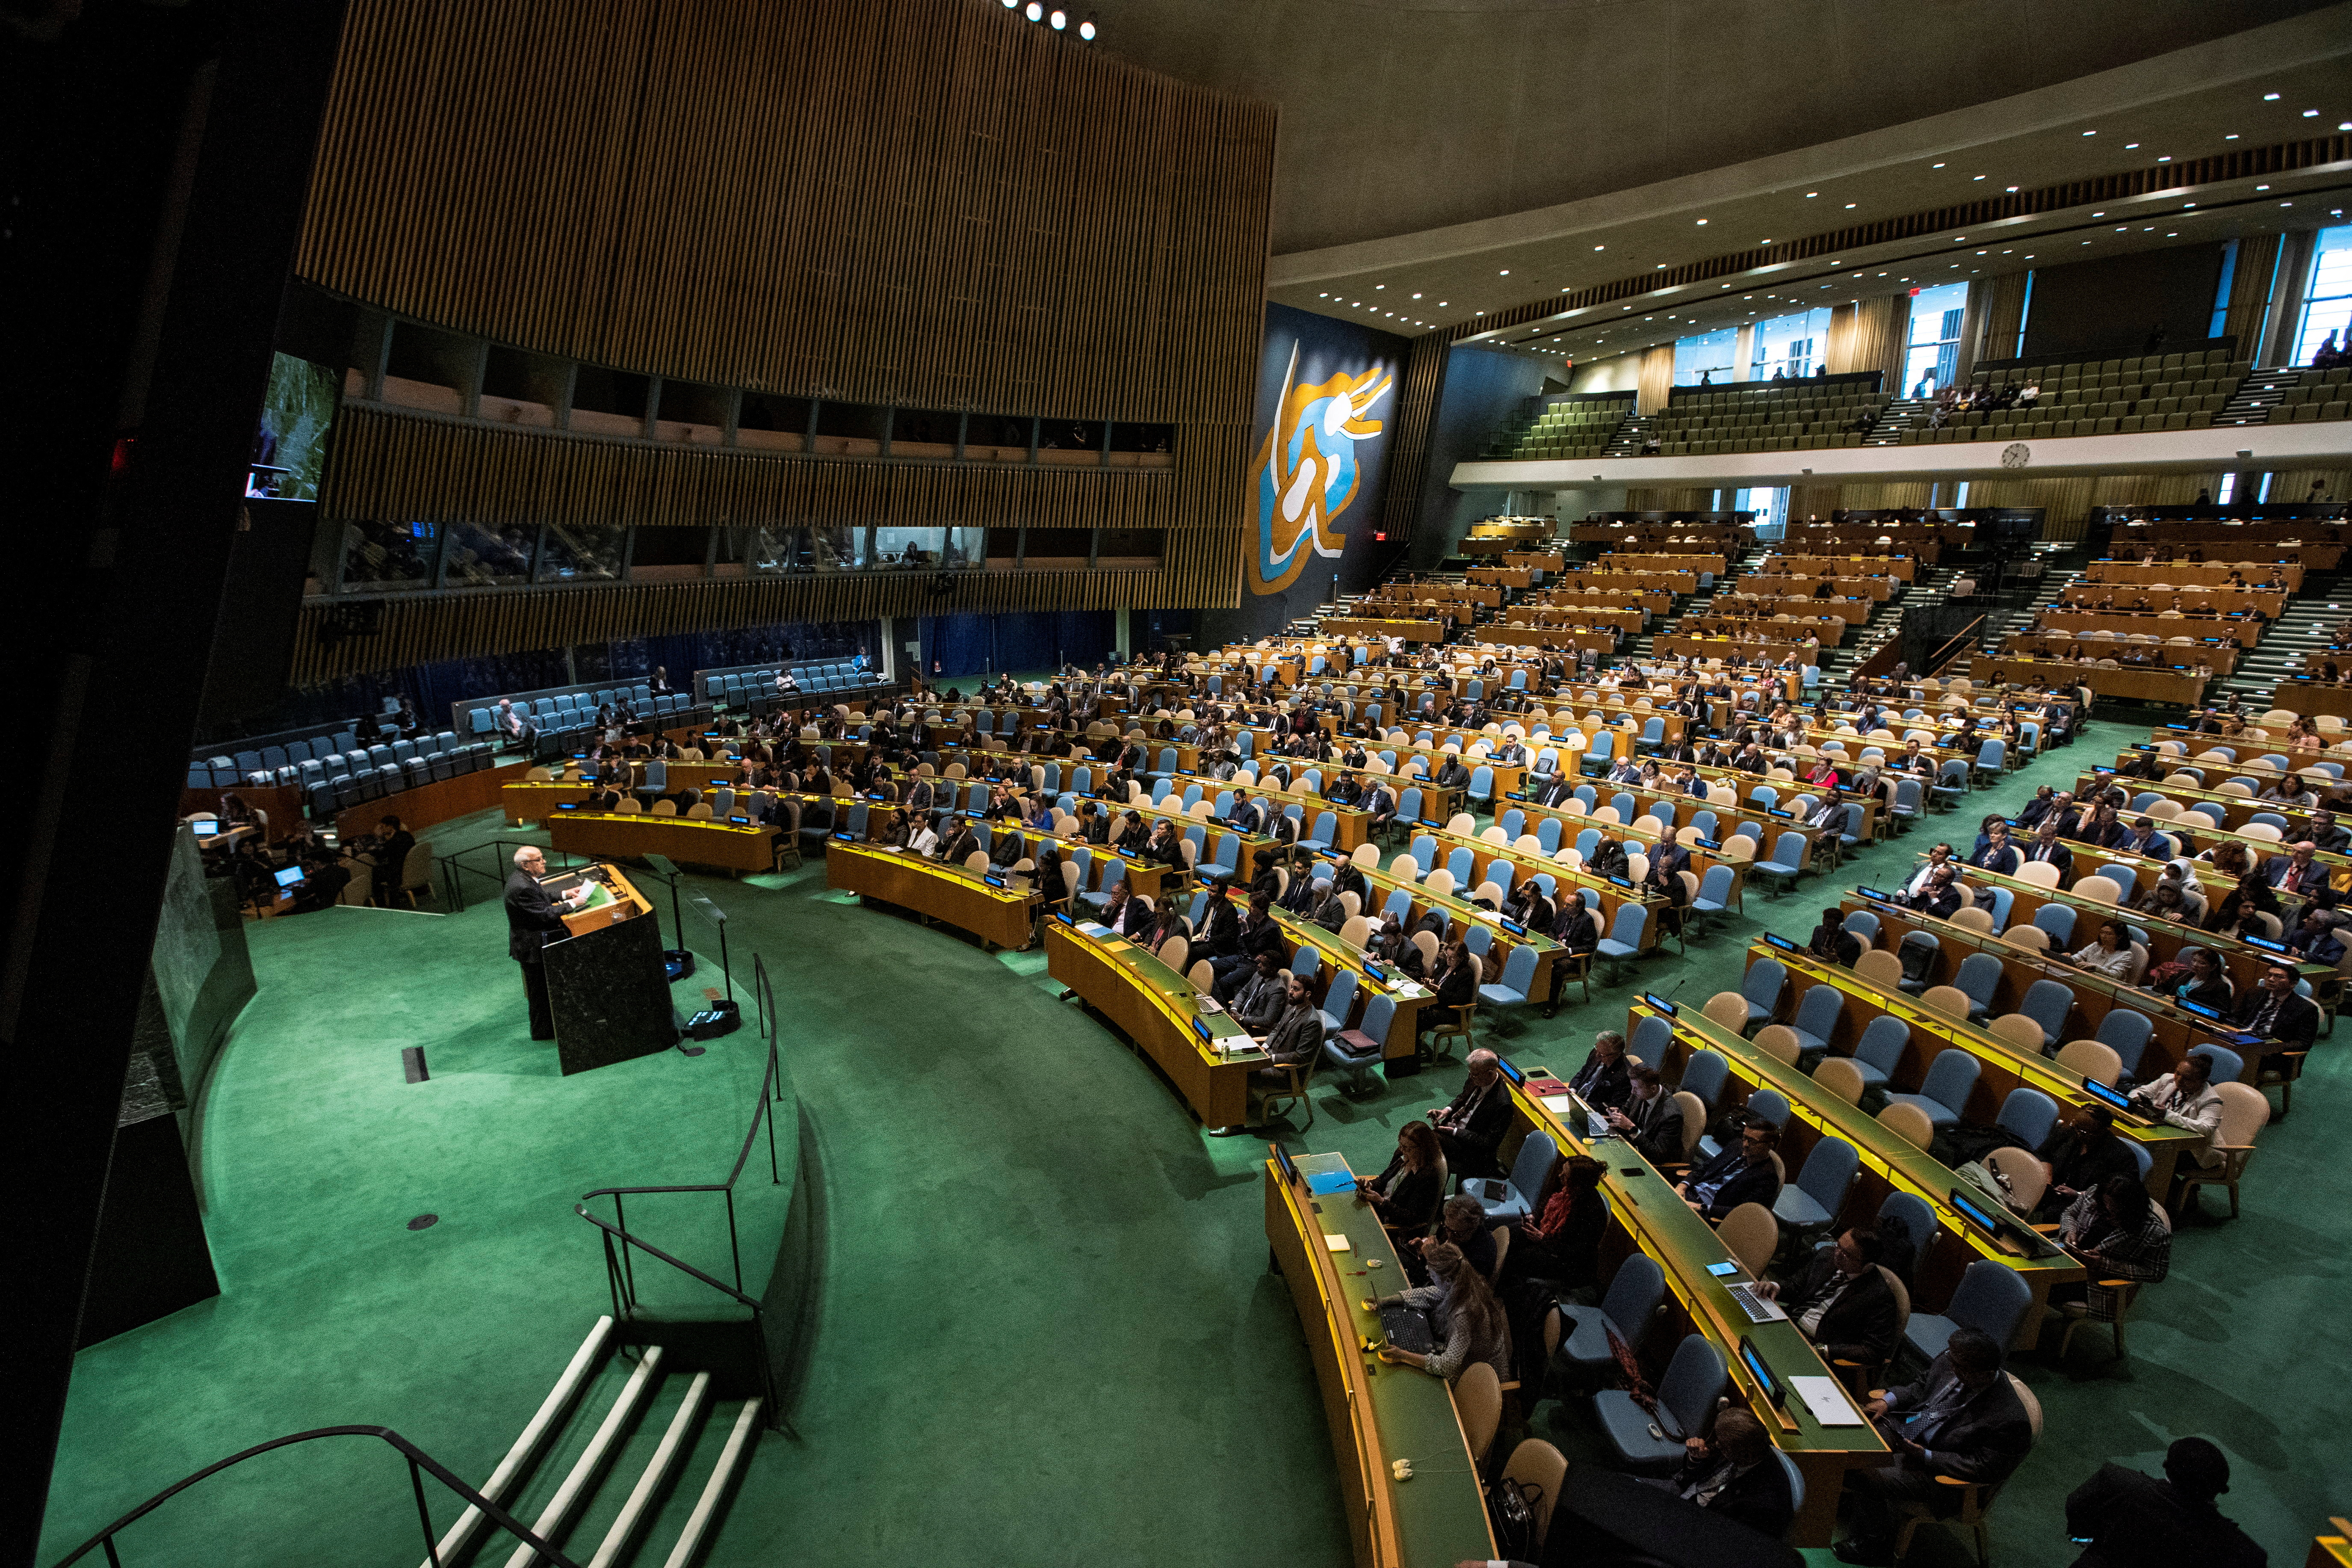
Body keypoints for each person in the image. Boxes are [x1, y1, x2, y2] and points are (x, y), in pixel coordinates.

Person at [1836, 1328, 2034, 1565]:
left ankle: (1873, 1545)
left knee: (1870, 1472)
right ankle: (1851, 1501)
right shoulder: (1954, 1360)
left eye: (1959, 1368)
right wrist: (1886, 1402)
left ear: (1986, 1374)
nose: (1951, 1367)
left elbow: (1983, 1467)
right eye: (1952, 1359)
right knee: (1854, 1441)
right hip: (1909, 1430)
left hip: (1936, 1471)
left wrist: (1926, 1455)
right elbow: (1921, 1386)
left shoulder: (2010, 1419)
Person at [2062, 1435, 2267, 1568]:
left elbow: (2076, 1506)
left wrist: (2094, 1539)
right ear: (2218, 1489)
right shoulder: (2244, 1553)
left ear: (2166, 1466)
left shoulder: (2115, 1480)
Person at [1752, 1227, 1901, 1370]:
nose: (1837, 1254)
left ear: (1867, 1266)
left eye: (1846, 1255)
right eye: (1838, 1246)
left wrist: (1826, 1350)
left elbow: (1873, 1351)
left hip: (1813, 1347)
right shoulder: (1826, 1255)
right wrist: (1775, 1286)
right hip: (1787, 1323)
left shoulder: (1879, 1297)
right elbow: (1797, 1285)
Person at [1372, 1240, 1513, 1386]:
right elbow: (1430, 1294)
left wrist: (1403, 1356)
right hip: (1468, 1360)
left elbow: (1447, 1365)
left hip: (1481, 1378)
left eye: (1432, 1274)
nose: (1430, 1276)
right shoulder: (1464, 1281)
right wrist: (1385, 1300)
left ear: (1447, 1280)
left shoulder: (1464, 1314)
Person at [505, 846, 594, 1040]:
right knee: (539, 992)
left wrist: (566, 894)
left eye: (542, 858)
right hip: (533, 947)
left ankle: (547, 1029)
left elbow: (541, 898)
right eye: (538, 859)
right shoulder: (522, 887)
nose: (544, 861)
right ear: (526, 865)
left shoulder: (524, 880)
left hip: (534, 943)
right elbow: (544, 915)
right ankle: (542, 1032)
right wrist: (573, 904)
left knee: (544, 989)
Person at [2051, 1173, 2172, 1300]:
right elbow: (2069, 1214)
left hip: (2097, 1281)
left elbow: (2156, 1273)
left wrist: (2103, 1263)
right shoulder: (2094, 1194)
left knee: (2043, 1286)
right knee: (2034, 1268)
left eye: (2115, 1209)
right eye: (2106, 1203)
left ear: (2132, 1208)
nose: (2108, 1209)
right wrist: (2070, 1231)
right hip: (2068, 1256)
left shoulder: (2154, 1232)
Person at [2036, 1107, 2139, 1221]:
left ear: (2101, 1132)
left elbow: (2119, 1194)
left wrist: (2079, 1194)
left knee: (2054, 1214)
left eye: (2084, 1132)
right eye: (2076, 1127)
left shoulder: (2122, 1156)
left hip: (2085, 1205)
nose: (2078, 1133)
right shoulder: (2071, 1132)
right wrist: (2047, 1177)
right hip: (2051, 1188)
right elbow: (2042, 1154)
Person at [2129, 1053, 2225, 1169]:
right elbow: (2139, 1091)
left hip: (2194, 1151)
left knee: (2153, 1154)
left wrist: (2167, 1115)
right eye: (2178, 1073)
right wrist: (2138, 1099)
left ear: (2203, 1081)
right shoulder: (2168, 1079)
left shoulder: (2211, 1100)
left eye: (2187, 1078)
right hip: (2163, 1138)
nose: (2179, 1080)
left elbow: (2206, 1128)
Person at [1676, 1117, 1782, 1222]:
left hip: (1706, 1214)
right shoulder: (1736, 1146)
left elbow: (1743, 1213)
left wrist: (1701, 1207)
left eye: (1752, 1142)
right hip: (1688, 1194)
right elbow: (1706, 1168)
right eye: (1744, 1138)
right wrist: (1683, 1186)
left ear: (1770, 1146)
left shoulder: (1767, 1178)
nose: (1745, 1144)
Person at [1427, 1049, 1510, 1179]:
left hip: (1472, 1150)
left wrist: (1455, 1132)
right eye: (1470, 1073)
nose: (1471, 1077)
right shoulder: (1476, 1076)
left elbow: (1488, 1143)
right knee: (1419, 1140)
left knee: (1426, 1142)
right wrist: (1446, 1111)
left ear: (1490, 1073)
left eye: (1475, 1075)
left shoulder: (1503, 1104)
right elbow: (1462, 1097)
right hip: (1454, 1130)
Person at [1357, 1121, 1445, 1238]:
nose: (1402, 1150)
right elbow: (1384, 1179)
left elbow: (1411, 1217)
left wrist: (1381, 1202)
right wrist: (1370, 1185)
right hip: (1379, 1208)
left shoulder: (1427, 1177)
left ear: (1423, 1149)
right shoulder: (1402, 1154)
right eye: (1401, 1145)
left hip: (1391, 1223)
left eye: (1408, 1148)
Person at [1604, 1063, 1685, 1163]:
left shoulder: (1671, 1116)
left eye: (1636, 1088)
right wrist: (1617, 1115)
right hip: (1630, 1149)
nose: (1633, 1092)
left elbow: (1658, 1154)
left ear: (1653, 1089)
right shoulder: (1640, 1093)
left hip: (1649, 1161)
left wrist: (1631, 1128)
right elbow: (1626, 1111)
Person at [1566, 1029, 1633, 1109]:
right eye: (1597, 1049)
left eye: (1602, 1054)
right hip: (1575, 1098)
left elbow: (1614, 1105)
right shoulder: (1597, 1052)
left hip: (1592, 1109)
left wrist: (1586, 1106)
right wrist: (1573, 1088)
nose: (1597, 1055)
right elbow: (1583, 1073)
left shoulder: (1624, 1076)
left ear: (1617, 1055)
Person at [2064, 918, 2136, 980]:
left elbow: (2116, 975)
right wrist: (2068, 958)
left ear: (2120, 936)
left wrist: (2095, 967)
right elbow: (2079, 957)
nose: (2104, 936)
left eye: (2109, 934)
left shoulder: (2126, 956)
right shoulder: (2096, 945)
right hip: (2087, 978)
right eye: (2102, 933)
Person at [368, 814, 416, 908]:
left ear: (390, 827)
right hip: (411, 868)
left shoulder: (393, 842)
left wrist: (381, 840)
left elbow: (380, 856)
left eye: (383, 827)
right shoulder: (408, 835)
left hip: (398, 873)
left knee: (375, 872)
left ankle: (381, 904)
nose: (381, 830)